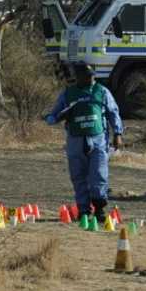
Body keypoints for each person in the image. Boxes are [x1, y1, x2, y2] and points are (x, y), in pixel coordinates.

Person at [44, 62, 123, 223]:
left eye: (92, 76)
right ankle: (83, 210)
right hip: (75, 141)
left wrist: (118, 133)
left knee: (99, 174)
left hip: (99, 140)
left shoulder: (102, 91)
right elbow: (52, 117)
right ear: (78, 77)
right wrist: (58, 117)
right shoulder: (68, 93)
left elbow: (113, 112)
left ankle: (100, 208)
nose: (91, 79)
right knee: (78, 176)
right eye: (87, 77)